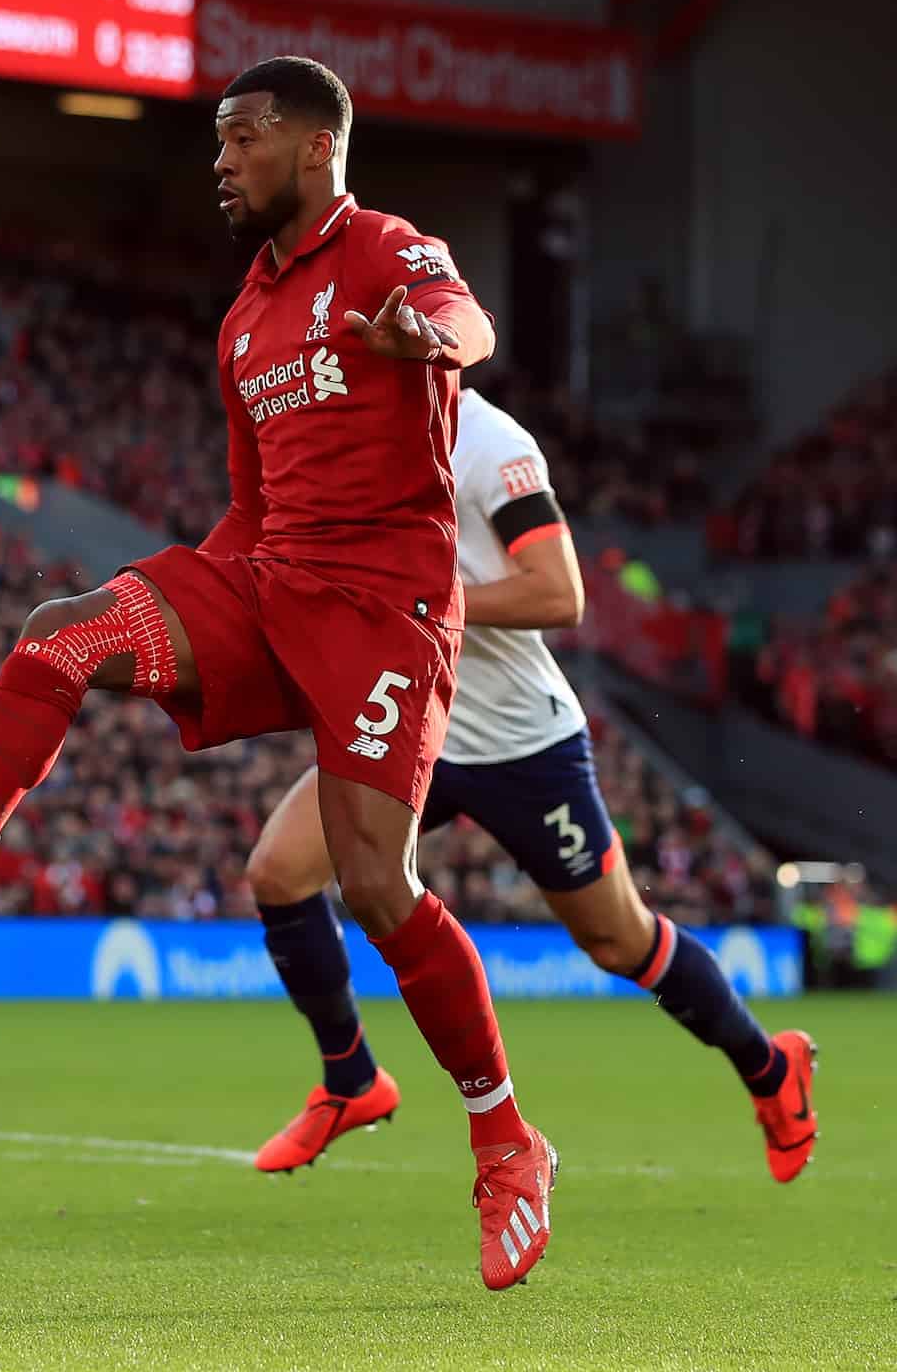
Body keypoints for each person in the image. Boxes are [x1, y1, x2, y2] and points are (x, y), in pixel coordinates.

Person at [0, 55, 557, 1289]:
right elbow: (251, 505)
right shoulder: (243, 319)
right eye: (218, 143)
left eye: (242, 139)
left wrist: (425, 335)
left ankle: (506, 1138)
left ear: (314, 144)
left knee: (379, 889)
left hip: (389, 611)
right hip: (272, 579)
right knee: (62, 627)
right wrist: (168, 604)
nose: (219, 163)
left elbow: (472, 326)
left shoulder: (386, 247)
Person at [245, 385, 819, 1184]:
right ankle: (352, 1081)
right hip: (413, 722)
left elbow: (560, 592)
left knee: (619, 939)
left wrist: (424, 604)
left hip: (522, 743)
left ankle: (769, 1067)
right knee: (279, 871)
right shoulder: (356, 438)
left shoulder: (490, 444)